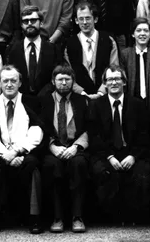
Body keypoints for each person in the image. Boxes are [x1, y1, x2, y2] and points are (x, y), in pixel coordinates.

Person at [0, 65, 44, 234]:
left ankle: (34, 217)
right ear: (0, 83)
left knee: (34, 167)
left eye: (13, 81)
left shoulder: (32, 102)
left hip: (23, 153)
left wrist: (17, 151)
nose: (9, 84)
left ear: (20, 83)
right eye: (5, 81)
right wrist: (6, 155)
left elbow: (36, 131)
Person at [87, 66, 150, 226]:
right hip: (106, 153)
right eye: (110, 79)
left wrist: (133, 156)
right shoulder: (96, 105)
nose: (114, 82)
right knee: (104, 173)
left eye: (117, 79)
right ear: (104, 83)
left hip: (131, 152)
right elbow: (94, 136)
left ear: (124, 82)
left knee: (141, 174)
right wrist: (109, 157)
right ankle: (112, 218)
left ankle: (134, 217)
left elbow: (144, 135)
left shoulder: (137, 104)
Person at [38, 65, 89, 233]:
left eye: (68, 79)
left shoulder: (82, 101)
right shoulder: (44, 100)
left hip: (75, 147)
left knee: (78, 165)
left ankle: (77, 217)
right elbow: (39, 128)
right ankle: (57, 217)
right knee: (52, 166)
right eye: (60, 79)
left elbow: (89, 128)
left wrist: (76, 147)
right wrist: (52, 146)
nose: (64, 83)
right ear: (53, 81)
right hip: (53, 147)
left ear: (73, 82)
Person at [62, 0, 119, 99]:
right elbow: (68, 73)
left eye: (88, 18)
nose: (84, 22)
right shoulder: (69, 44)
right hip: (79, 98)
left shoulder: (108, 40)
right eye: (81, 19)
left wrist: (101, 93)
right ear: (76, 20)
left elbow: (114, 69)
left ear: (95, 19)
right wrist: (83, 93)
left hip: (105, 96)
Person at [6, 6, 60, 97]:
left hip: (47, 101)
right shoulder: (12, 50)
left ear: (41, 23)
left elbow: (56, 76)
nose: (29, 24)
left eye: (33, 20)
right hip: (20, 102)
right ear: (22, 25)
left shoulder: (53, 49)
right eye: (25, 21)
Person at [119, 18, 150, 104]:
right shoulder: (125, 54)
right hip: (131, 105)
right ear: (133, 34)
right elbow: (122, 81)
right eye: (138, 30)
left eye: (146, 31)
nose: (142, 33)